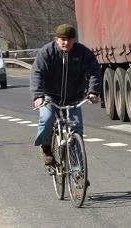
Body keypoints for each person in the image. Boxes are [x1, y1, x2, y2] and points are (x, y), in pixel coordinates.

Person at [31, 24, 101, 166]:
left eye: (69, 39)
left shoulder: (82, 53)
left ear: (74, 39)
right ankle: (46, 147)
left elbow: (94, 71)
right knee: (47, 118)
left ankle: (78, 172)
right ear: (56, 39)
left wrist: (93, 91)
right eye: (62, 39)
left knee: (77, 131)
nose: (66, 43)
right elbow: (37, 73)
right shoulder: (47, 52)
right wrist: (38, 96)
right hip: (50, 96)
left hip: (74, 97)